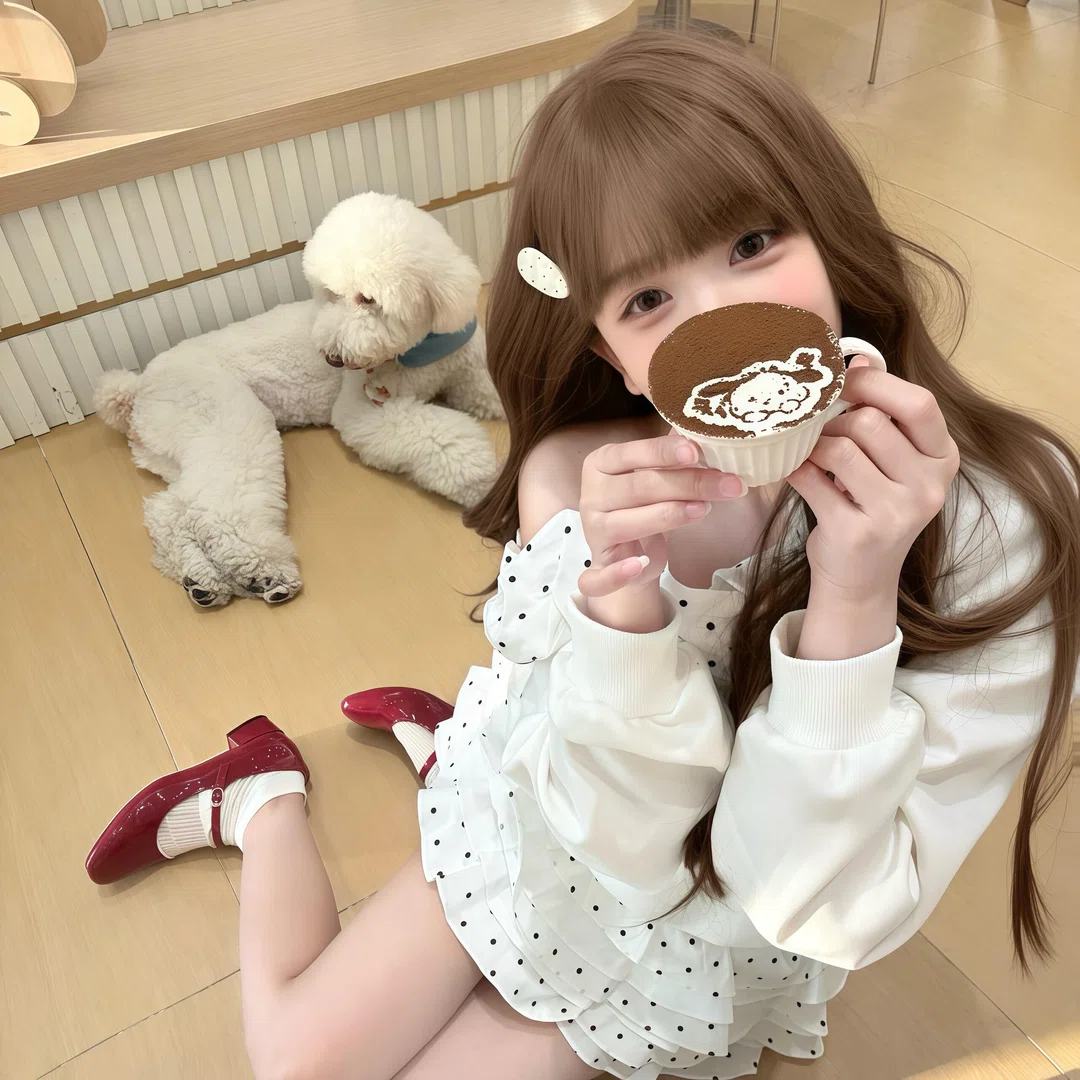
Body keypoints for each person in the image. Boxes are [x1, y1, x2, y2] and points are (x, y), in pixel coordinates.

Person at [84, 27, 1080, 1080]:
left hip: (699, 936)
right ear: (614, 351)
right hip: (549, 811)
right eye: (648, 300)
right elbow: (617, 828)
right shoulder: (577, 481)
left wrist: (853, 601)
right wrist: (621, 622)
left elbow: (799, 903)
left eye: (753, 243)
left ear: (829, 227)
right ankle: (264, 793)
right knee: (297, 1066)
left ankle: (418, 741)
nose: (724, 317)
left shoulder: (1000, 528)